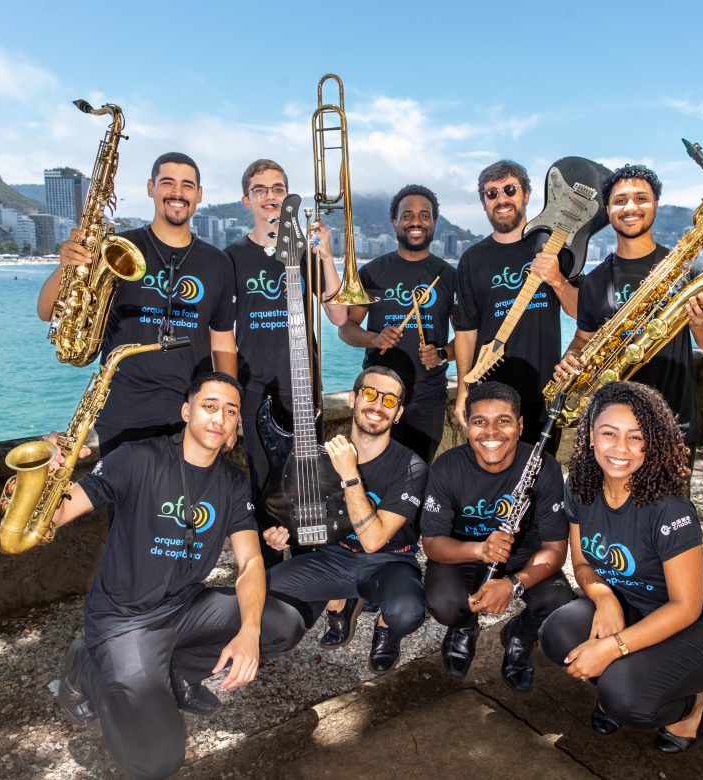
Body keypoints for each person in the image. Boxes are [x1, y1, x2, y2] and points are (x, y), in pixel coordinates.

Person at [50, 371, 305, 780]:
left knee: (283, 624)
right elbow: (58, 513)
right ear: (187, 411)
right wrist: (46, 472)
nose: (219, 417)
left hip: (184, 606)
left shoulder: (232, 482)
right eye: (209, 406)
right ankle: (89, 665)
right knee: (157, 762)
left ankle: (178, 674)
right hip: (124, 620)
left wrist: (249, 631)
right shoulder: (137, 458)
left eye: (230, 411)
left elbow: (250, 563)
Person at [538, 381, 703, 754]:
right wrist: (604, 598)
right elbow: (581, 561)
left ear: (653, 442)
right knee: (557, 633)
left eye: (636, 437)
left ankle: (689, 704)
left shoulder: (670, 509)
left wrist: (613, 647)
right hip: (631, 605)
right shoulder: (581, 486)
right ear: (590, 436)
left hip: (700, 624)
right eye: (609, 433)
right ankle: (624, 679)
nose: (621, 448)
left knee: (625, 696)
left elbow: (686, 607)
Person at [37, 152, 238, 456]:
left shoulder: (218, 263)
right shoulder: (114, 249)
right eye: (167, 182)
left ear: (199, 194)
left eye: (187, 185)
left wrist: (230, 411)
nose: (177, 192)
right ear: (150, 188)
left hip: (193, 414)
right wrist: (66, 265)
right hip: (121, 413)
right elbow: (46, 311)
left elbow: (222, 340)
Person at [552, 164, 703, 475]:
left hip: (673, 426)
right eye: (620, 201)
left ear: (655, 204)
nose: (630, 207)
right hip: (612, 431)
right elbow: (583, 339)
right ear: (608, 210)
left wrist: (701, 323)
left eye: (641, 198)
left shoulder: (688, 270)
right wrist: (571, 360)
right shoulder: (594, 282)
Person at [263, 367, 428, 673]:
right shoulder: (321, 455)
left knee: (407, 611)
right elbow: (305, 513)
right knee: (261, 592)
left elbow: (373, 541)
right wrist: (284, 534)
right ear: (353, 399)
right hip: (334, 557)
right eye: (370, 393)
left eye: (389, 400)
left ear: (398, 413)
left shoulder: (411, 467)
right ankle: (340, 602)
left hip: (388, 561)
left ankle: (386, 629)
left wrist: (350, 474)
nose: (377, 405)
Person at [225, 159, 347, 567]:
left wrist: (326, 255)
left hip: (302, 385)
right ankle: (270, 568)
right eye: (260, 190)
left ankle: (311, 562)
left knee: (309, 478)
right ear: (247, 200)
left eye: (278, 188)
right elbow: (219, 331)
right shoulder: (233, 257)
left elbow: (339, 316)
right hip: (252, 386)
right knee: (264, 482)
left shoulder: (304, 254)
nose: (270, 197)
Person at [421, 381, 572, 691]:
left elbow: (555, 550)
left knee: (559, 601)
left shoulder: (544, 467)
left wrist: (513, 583)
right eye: (480, 422)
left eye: (503, 421)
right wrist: (480, 550)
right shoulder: (447, 467)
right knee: (443, 603)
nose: (491, 432)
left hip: (522, 551)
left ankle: (520, 635)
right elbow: (433, 544)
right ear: (467, 425)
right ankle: (464, 627)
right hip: (465, 548)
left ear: (520, 426)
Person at [453, 160, 577, 452]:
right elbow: (466, 331)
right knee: (490, 472)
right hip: (489, 395)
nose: (501, 199)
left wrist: (557, 280)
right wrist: (462, 390)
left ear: (527, 194)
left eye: (510, 189)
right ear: (484, 203)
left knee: (538, 470)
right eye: (491, 193)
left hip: (544, 391)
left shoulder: (553, 247)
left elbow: (579, 312)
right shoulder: (472, 260)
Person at [338, 184, 457, 463]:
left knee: (417, 471)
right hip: (376, 394)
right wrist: (374, 339)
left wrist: (442, 354)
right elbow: (345, 329)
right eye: (407, 215)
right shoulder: (371, 272)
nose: (416, 222)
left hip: (428, 396)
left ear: (434, 222)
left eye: (424, 215)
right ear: (394, 222)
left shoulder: (448, 275)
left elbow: (465, 338)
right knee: (370, 470)